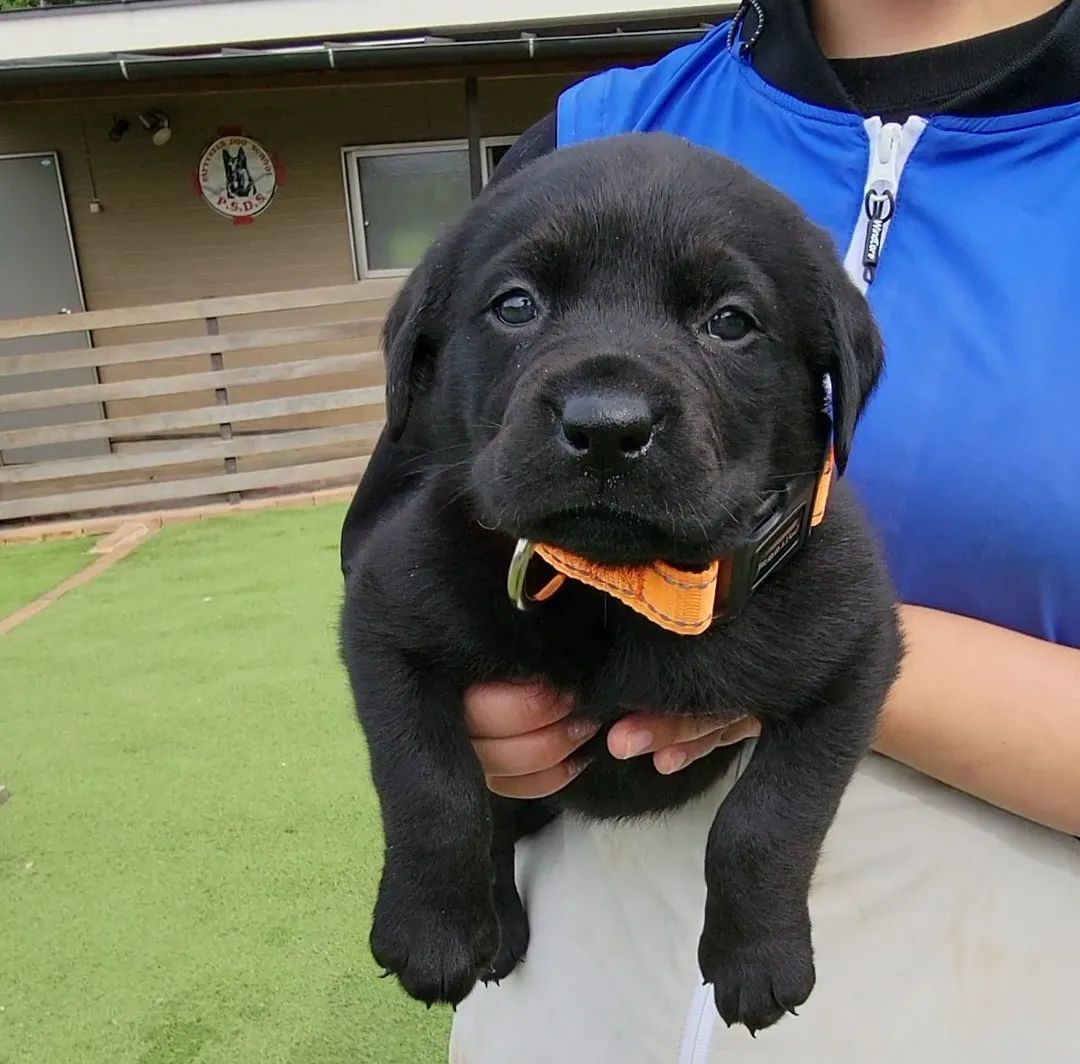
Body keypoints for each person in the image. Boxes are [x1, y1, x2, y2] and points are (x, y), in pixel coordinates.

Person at [340, 1, 1080, 1060]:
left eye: (727, 320)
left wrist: (767, 642)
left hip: (993, 985)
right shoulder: (604, 121)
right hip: (575, 984)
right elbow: (392, 553)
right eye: (518, 306)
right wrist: (460, 788)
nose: (605, 405)